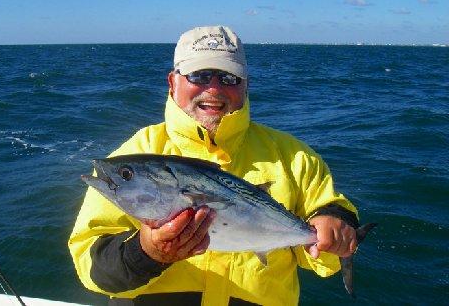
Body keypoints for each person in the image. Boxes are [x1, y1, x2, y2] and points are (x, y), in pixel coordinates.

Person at [68, 26, 360, 306]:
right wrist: (147, 253)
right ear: (173, 81)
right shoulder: (136, 152)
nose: (213, 88)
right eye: (200, 75)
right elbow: (91, 267)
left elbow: (329, 218)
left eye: (228, 77)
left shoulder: (295, 157)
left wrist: (334, 227)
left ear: (246, 85)